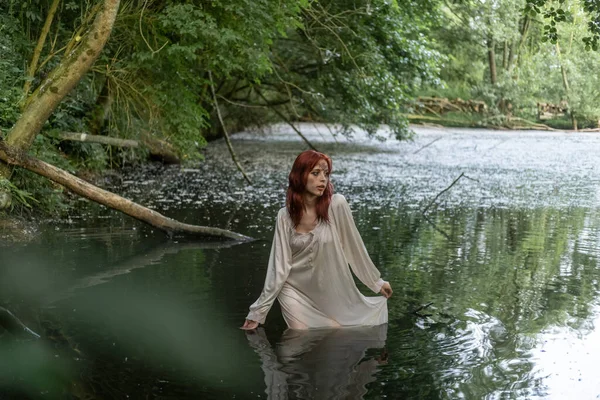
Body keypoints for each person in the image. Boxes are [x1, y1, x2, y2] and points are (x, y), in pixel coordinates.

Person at [241, 150, 393, 330]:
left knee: (334, 332)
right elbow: (279, 267)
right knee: (301, 334)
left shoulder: (336, 205)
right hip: (293, 291)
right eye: (316, 173)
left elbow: (354, 248)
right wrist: (258, 312)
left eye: (326, 174)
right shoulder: (284, 216)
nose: (323, 179)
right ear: (300, 176)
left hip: (329, 290)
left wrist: (375, 282)